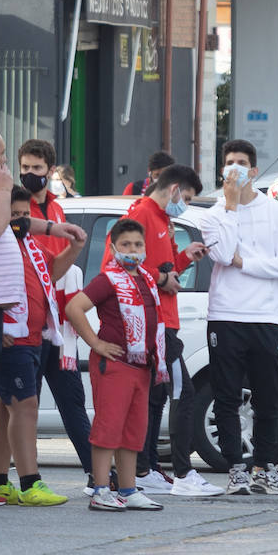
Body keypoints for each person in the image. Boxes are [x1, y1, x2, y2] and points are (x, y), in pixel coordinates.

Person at [0, 127, 85, 503]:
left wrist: (55, 227)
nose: (7, 165)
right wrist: (4, 188)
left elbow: (15, 223)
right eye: (3, 156)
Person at [200, 140, 278, 496]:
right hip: (226, 315)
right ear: (222, 170)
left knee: (269, 397)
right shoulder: (213, 214)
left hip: (266, 317)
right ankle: (235, 469)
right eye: (230, 163)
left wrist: (248, 263)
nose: (236, 169)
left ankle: (264, 467)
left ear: (254, 171)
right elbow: (224, 254)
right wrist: (229, 206)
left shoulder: (277, 212)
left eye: (242, 163)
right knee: (226, 396)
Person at [111, 163, 215, 496]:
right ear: (173, 190)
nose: (184, 203)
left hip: (165, 319)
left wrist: (184, 257)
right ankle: (183, 474)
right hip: (153, 323)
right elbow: (120, 264)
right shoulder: (141, 214)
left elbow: (165, 268)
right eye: (184, 197)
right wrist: (159, 278)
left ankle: (146, 467)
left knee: (156, 398)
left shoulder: (163, 219)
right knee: (183, 392)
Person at [0, 186, 83, 506]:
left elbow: (52, 273)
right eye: (14, 215)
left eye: (26, 214)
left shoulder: (31, 245)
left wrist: (74, 248)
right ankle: (30, 481)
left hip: (33, 337)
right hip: (14, 338)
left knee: (5, 408)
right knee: (25, 407)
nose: (21, 221)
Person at [65, 218, 168, 512]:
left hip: (141, 366)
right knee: (108, 428)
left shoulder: (145, 278)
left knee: (133, 431)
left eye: (138, 244)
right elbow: (74, 308)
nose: (132, 250)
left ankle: (128, 489)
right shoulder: (108, 279)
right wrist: (95, 344)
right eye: (126, 245)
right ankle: (100, 489)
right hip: (115, 365)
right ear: (113, 248)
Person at [18, 139, 97, 485]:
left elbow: (59, 263)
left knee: (72, 402)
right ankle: (26, 478)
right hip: (30, 319)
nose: (29, 174)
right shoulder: (16, 209)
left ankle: (98, 472)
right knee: (24, 407)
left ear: (50, 171)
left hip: (59, 322)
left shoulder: (57, 208)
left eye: (36, 169)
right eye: (24, 168)